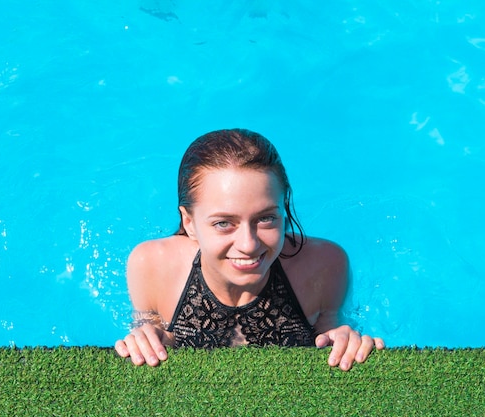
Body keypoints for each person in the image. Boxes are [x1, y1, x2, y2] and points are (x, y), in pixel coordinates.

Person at [115, 128, 384, 371]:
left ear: (284, 211)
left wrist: (345, 340)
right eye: (223, 223)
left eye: (266, 218)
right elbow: (153, 335)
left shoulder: (325, 265)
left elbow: (329, 335)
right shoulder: (152, 264)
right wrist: (147, 338)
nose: (249, 245)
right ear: (189, 222)